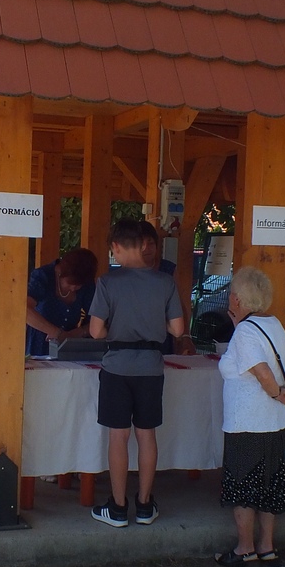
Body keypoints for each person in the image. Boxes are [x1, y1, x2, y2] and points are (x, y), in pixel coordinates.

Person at [87, 219, 185, 527]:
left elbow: (95, 331)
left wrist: (119, 326)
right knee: (147, 435)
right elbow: (178, 329)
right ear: (143, 246)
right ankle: (144, 505)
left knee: (118, 436)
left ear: (115, 247)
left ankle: (118, 508)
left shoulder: (107, 282)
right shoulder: (165, 282)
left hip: (116, 366)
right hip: (151, 367)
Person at [214, 266, 285, 567]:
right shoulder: (272, 324)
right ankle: (267, 547)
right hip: (274, 422)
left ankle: (245, 549)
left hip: (247, 422)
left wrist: (275, 392)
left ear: (237, 298)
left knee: (244, 488)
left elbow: (261, 371)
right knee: (269, 485)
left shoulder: (245, 333)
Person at [24, 247, 99, 356]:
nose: (73, 288)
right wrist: (57, 333)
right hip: (38, 345)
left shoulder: (87, 284)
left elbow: (96, 319)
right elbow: (25, 310)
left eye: (78, 286)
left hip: (70, 348)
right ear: (60, 271)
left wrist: (76, 334)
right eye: (69, 283)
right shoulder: (43, 276)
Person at [138, 220, 196, 355]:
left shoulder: (168, 269)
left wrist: (185, 337)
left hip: (164, 338)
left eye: (151, 243)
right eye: (141, 244)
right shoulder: (126, 272)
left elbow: (179, 305)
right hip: (134, 340)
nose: (146, 248)